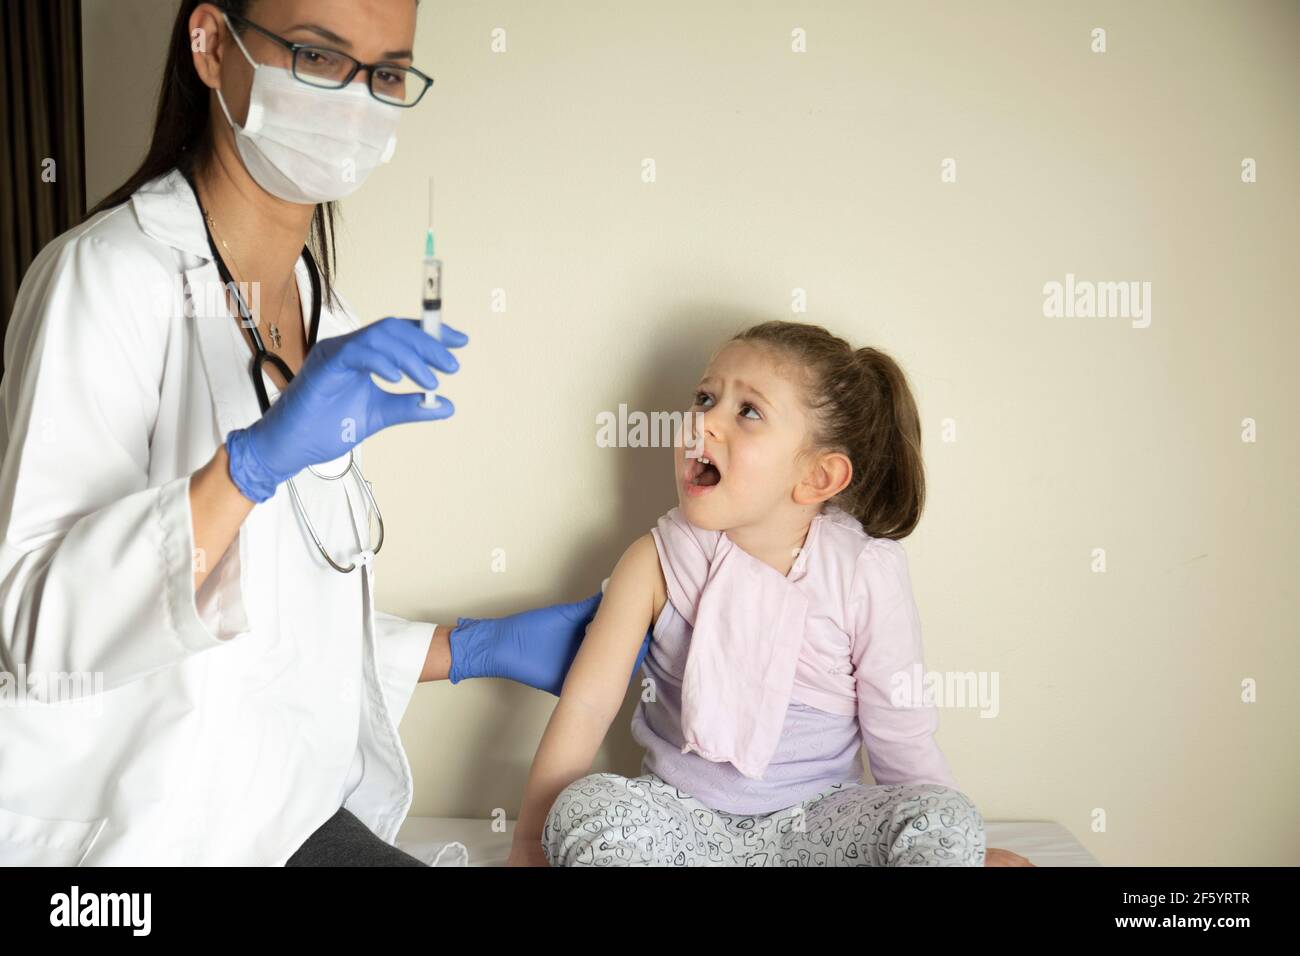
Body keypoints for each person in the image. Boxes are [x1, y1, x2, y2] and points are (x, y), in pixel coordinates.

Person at [0, 0, 643, 866]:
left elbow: (272, 640)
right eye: (316, 55)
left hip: (285, 810)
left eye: (384, 74)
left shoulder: (322, 314)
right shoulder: (109, 279)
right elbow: (38, 631)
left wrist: (469, 650)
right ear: (212, 45)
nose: (353, 102)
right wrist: (251, 468)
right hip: (145, 835)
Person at [507, 321, 1034, 866]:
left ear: (817, 478)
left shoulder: (862, 572)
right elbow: (588, 706)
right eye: (705, 398)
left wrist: (944, 841)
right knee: (584, 807)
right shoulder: (655, 560)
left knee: (949, 817)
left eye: (748, 411)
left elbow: (901, 735)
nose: (703, 421)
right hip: (681, 825)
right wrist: (527, 843)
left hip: (818, 827)